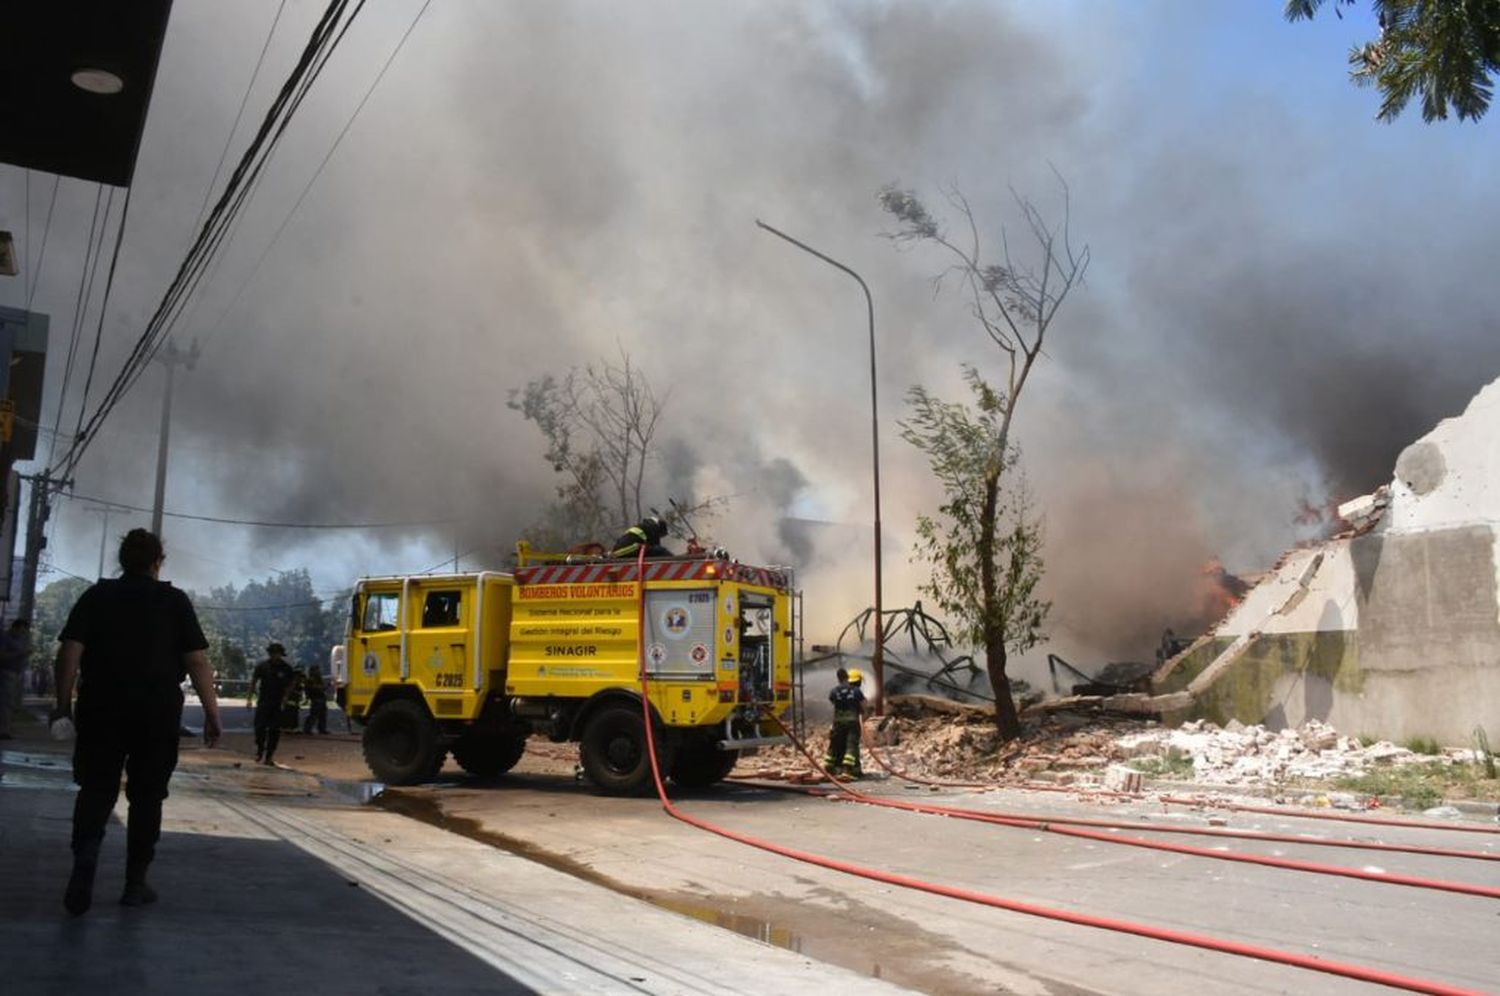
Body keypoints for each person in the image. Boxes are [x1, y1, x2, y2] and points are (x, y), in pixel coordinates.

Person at [50, 528, 221, 915]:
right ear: (158, 562)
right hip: (156, 712)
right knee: (147, 796)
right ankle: (135, 882)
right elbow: (196, 661)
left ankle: (86, 855)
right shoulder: (174, 601)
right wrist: (212, 713)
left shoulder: (97, 596)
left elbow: (69, 653)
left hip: (100, 707)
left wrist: (63, 704)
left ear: (122, 560)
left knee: (95, 788)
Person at [247, 642, 298, 765]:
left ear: (281, 654)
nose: (275, 656)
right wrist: (249, 698)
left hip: (278, 702)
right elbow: (254, 681)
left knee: (274, 730)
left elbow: (292, 682)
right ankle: (260, 750)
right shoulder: (262, 666)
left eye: (278, 654)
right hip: (264, 701)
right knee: (260, 727)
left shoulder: (286, 668)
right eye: (273, 653)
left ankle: (269, 755)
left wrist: (286, 696)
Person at [823, 667, 866, 780]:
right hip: (852, 721)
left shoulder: (834, 691)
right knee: (851, 745)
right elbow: (863, 705)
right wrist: (861, 711)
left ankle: (828, 769)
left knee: (835, 744)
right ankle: (847, 771)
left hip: (837, 721)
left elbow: (833, 702)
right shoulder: (856, 691)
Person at [0, 618, 31, 740]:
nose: (23, 634)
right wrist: (21, 653)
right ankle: (3, 730)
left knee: (10, 703)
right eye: (21, 630)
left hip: (16, 674)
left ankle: (6, 728)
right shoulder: (5, 638)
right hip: (7, 672)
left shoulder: (20, 640)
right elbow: (2, 655)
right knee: (6, 703)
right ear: (15, 628)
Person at [300, 665, 330, 735]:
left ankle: (322, 729)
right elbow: (315, 688)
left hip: (321, 698)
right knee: (313, 715)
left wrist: (326, 686)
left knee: (322, 715)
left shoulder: (318, 679)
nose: (319, 671)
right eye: (317, 670)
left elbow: (321, 688)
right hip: (316, 698)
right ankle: (307, 729)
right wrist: (324, 687)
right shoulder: (311, 680)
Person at [329, 642, 351, 733]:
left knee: (346, 710)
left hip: (343, 688)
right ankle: (348, 726)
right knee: (346, 709)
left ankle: (348, 726)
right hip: (342, 689)